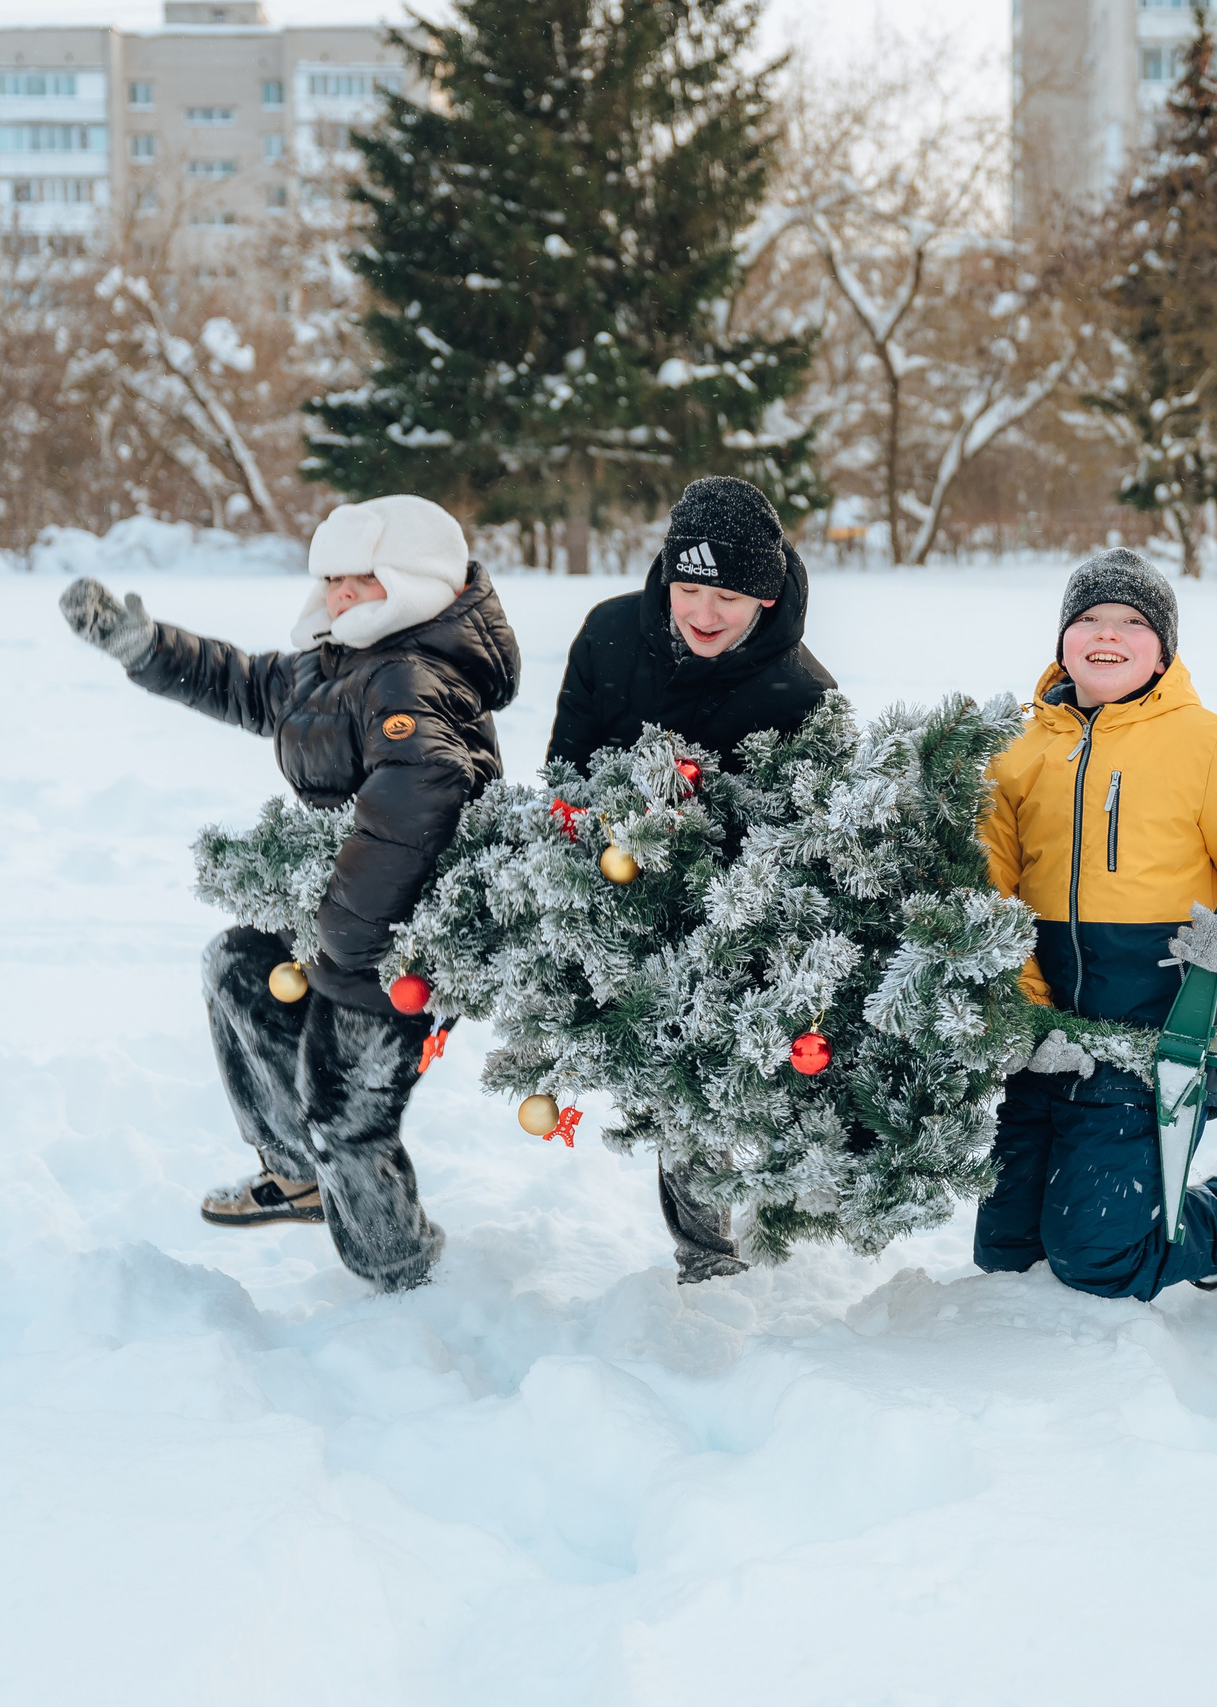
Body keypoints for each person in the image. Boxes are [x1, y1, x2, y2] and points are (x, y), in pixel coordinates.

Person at [59, 495, 520, 1293]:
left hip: (402, 943)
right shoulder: (336, 662)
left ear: (414, 581)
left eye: (361, 580)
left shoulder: (412, 679)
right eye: (332, 579)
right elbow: (245, 683)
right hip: (343, 918)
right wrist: (146, 647)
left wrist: (344, 937)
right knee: (238, 964)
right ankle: (297, 1171)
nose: (339, 595)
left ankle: (405, 1274)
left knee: (347, 1117)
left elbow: (419, 802)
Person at [973, 548, 1217, 1299]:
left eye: (1132, 622)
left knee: (1100, 1260)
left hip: (1150, 1045)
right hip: (1039, 1039)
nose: (1108, 634)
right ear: (1062, 638)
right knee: (1007, 1252)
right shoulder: (1020, 750)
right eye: (1089, 618)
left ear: (1162, 647)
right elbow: (988, 884)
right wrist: (1020, 1009)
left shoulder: (1201, 744)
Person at [547, 475, 835, 1282]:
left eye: (731, 598)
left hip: (725, 919)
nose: (706, 614)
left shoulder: (801, 694)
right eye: (692, 588)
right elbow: (566, 774)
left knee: (698, 1086)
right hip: (614, 887)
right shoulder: (608, 635)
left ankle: (710, 1257)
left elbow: (794, 841)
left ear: (767, 601)